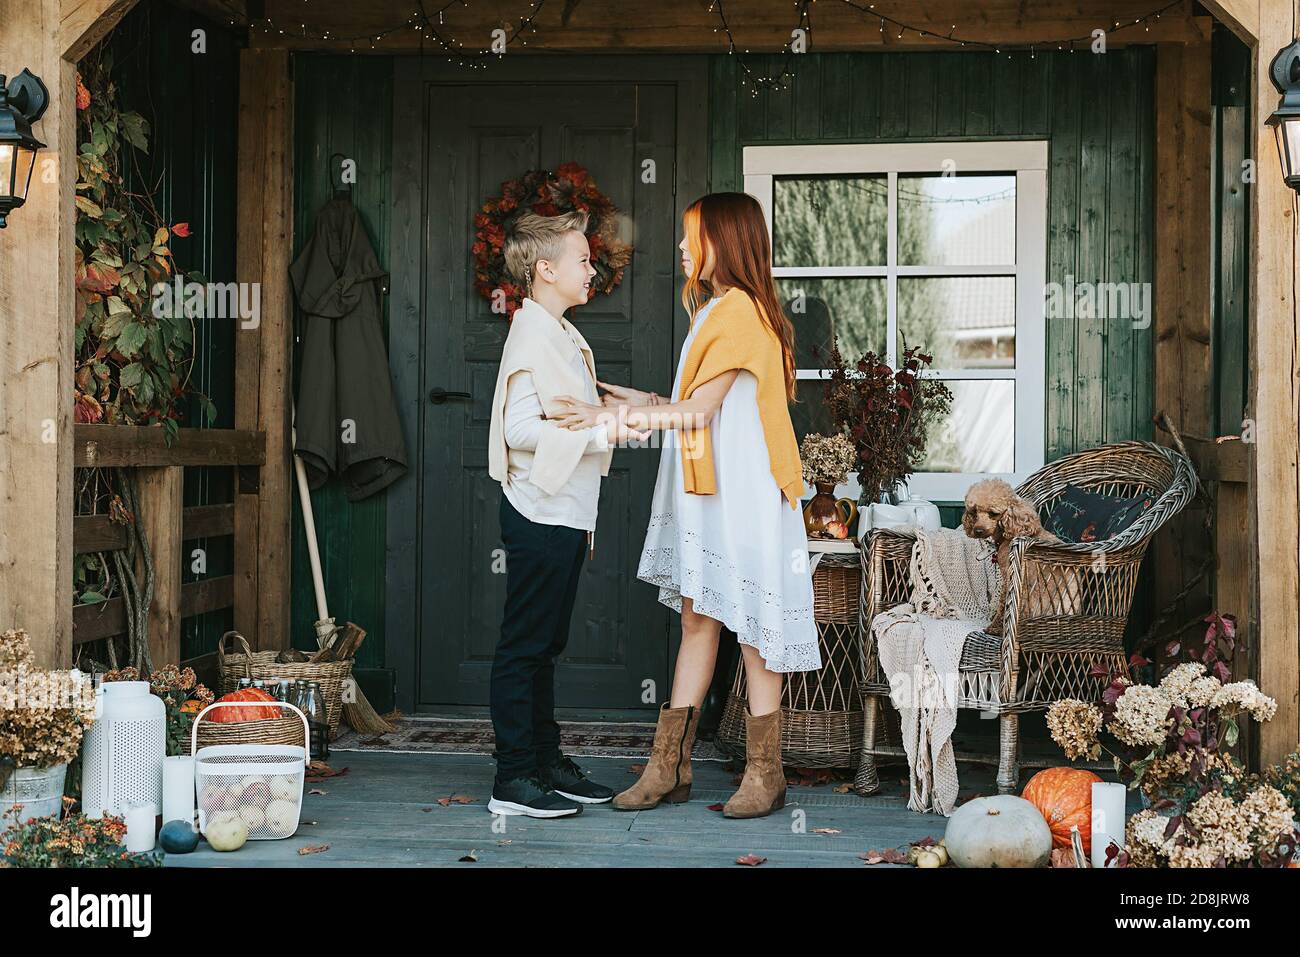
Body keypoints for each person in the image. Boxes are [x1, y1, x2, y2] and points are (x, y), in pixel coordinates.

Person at [553, 192, 820, 819]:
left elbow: (697, 414)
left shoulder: (741, 314)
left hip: (745, 494)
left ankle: (765, 774)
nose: (679, 247)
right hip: (714, 492)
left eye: (689, 235)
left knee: (754, 629)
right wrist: (633, 399)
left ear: (722, 242)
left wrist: (612, 416)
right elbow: (702, 403)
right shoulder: (717, 312)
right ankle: (667, 766)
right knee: (698, 620)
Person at [485, 211, 648, 818]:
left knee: (545, 644)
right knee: (524, 645)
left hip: (567, 511)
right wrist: (600, 426)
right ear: (545, 269)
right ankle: (513, 778)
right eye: (582, 259)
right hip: (539, 510)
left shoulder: (559, 331)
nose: (592, 268)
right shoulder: (531, 333)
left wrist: (602, 421)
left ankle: (545, 761)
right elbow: (520, 427)